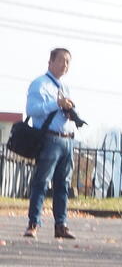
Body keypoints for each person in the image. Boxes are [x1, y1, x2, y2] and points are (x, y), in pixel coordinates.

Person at [24, 48, 78, 240]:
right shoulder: (40, 84)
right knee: (41, 182)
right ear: (51, 62)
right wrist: (57, 104)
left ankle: (61, 225)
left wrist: (72, 113)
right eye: (61, 60)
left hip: (67, 139)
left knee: (63, 184)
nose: (65, 65)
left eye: (68, 62)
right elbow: (32, 109)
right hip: (50, 138)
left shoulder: (65, 87)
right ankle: (33, 224)